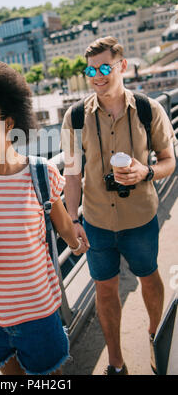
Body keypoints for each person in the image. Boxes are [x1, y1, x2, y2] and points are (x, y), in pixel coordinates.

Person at [0, 60, 89, 376]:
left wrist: (77, 242)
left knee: (49, 375)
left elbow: (64, 226)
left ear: (9, 123)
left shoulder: (41, 174)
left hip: (38, 312)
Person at [61, 36, 176, 375]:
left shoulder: (148, 109)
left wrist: (147, 171)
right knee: (105, 290)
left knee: (149, 278)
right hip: (96, 222)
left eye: (104, 67)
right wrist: (72, 219)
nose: (97, 76)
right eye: (90, 69)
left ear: (122, 65)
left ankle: (156, 339)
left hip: (140, 219)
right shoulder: (74, 116)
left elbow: (171, 160)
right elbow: (71, 174)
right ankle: (116, 363)